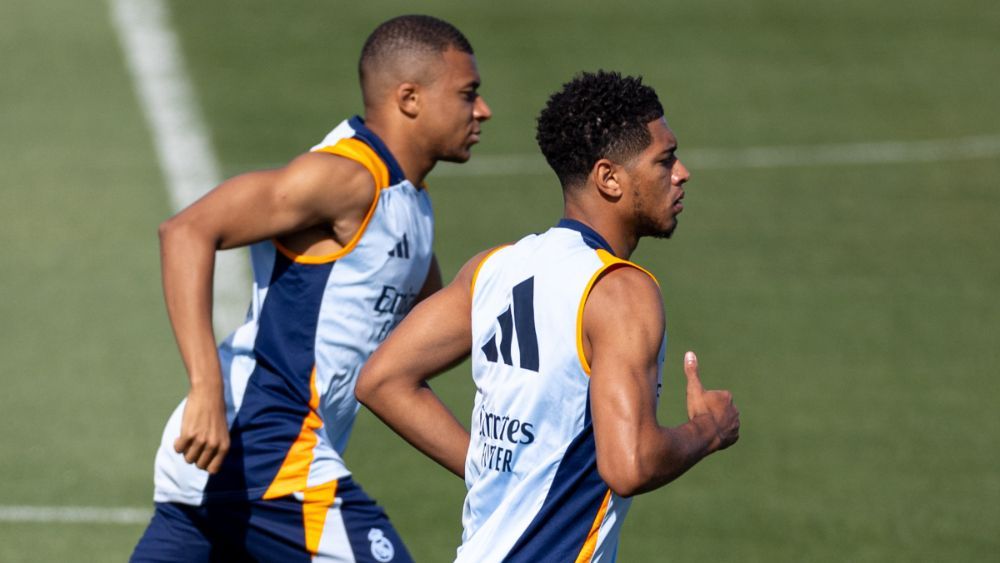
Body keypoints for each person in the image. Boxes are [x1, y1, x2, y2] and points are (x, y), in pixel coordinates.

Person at [131, 14, 492, 562]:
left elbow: (428, 337)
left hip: (219, 468)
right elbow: (186, 231)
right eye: (468, 94)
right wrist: (204, 388)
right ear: (410, 98)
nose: (482, 110)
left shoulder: (410, 206)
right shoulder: (347, 178)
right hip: (270, 450)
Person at [355, 70, 740, 562]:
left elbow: (382, 379)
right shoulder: (621, 290)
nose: (681, 172)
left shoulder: (495, 267)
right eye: (664, 160)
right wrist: (708, 430)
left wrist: (490, 467)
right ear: (609, 178)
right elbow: (629, 464)